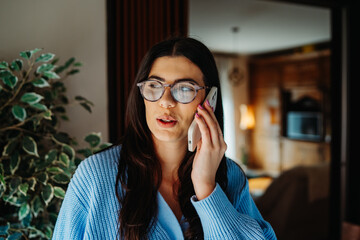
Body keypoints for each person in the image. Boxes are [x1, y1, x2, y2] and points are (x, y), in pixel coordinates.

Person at [52, 37, 276, 240]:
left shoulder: (231, 177)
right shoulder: (94, 175)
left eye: (185, 89)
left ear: (210, 100)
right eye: (154, 86)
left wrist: (207, 188)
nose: (166, 101)